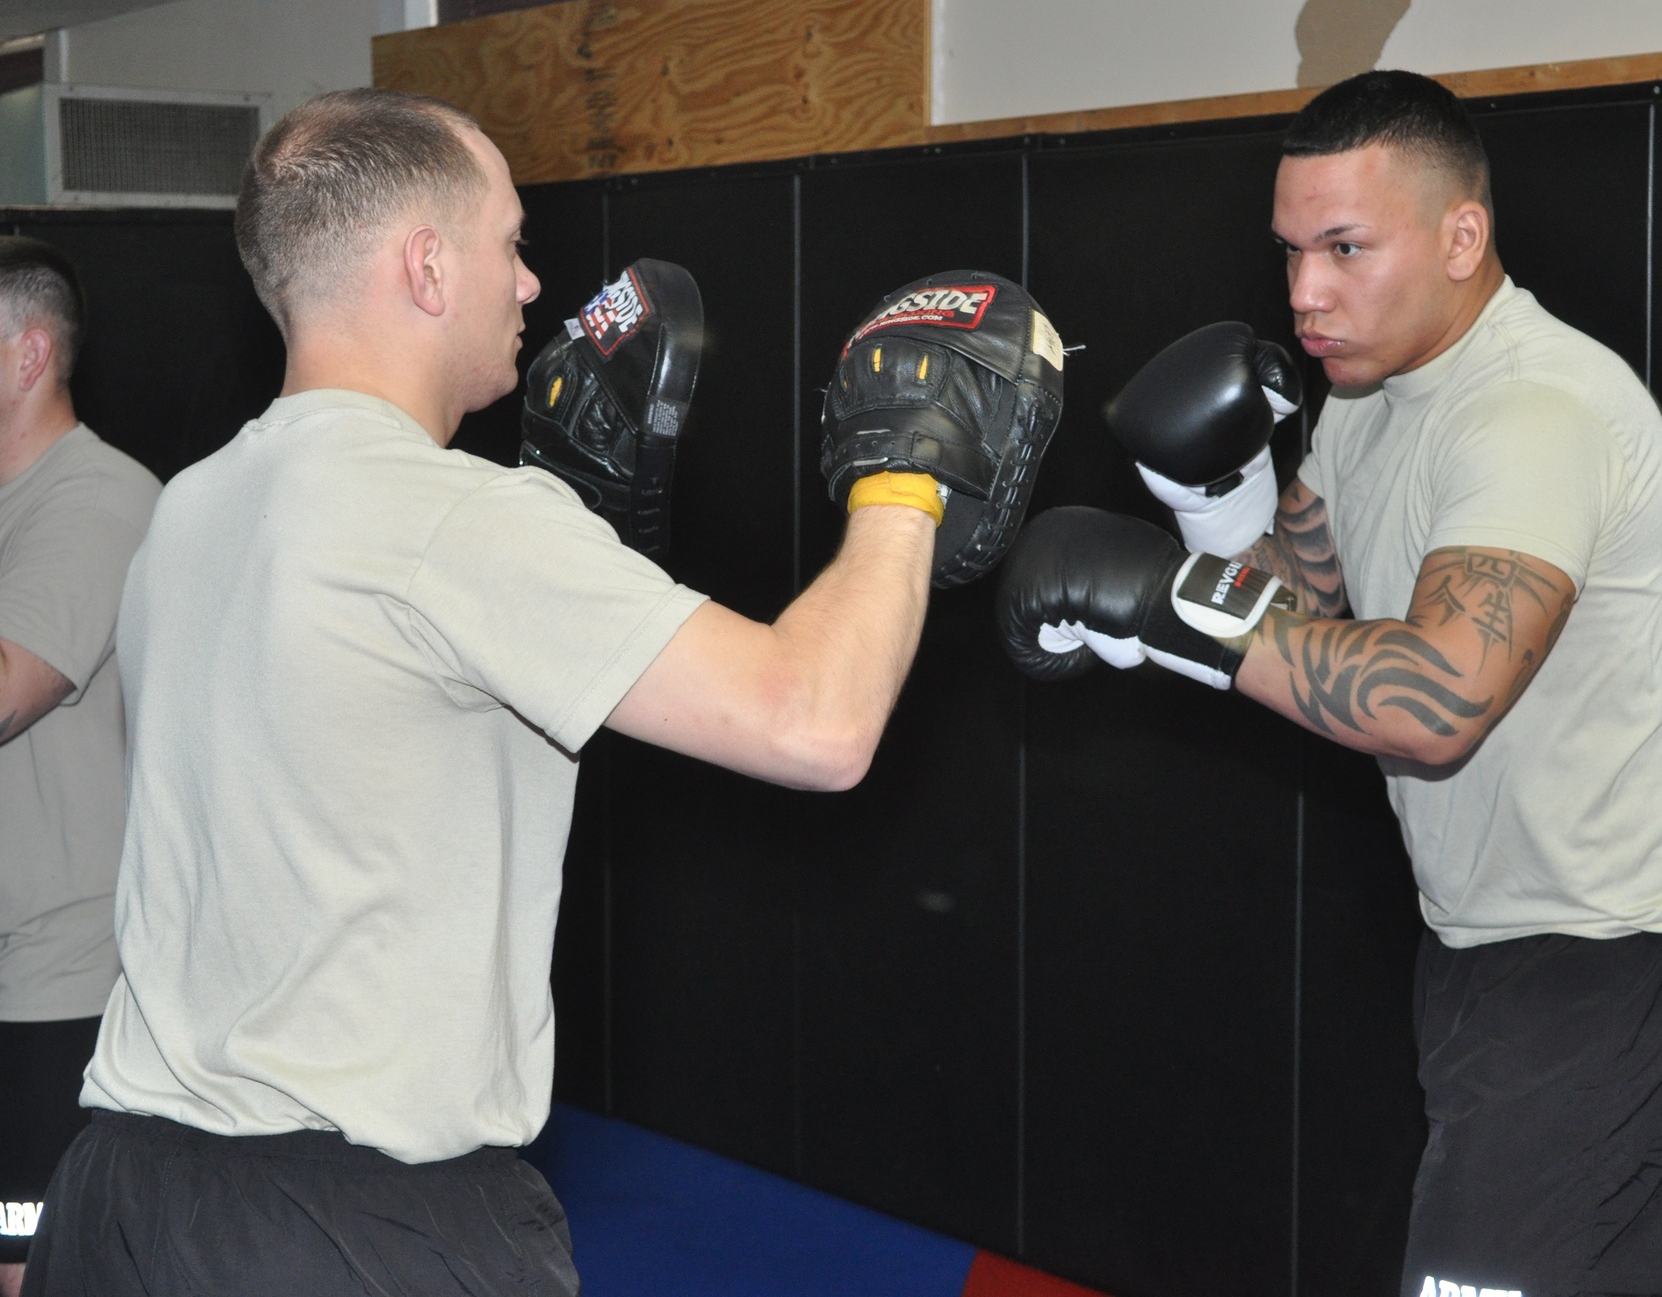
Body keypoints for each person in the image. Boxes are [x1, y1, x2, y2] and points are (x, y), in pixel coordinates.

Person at [21, 88, 963, 1296]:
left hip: (123, 1201)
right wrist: (905, 476)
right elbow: (816, 720)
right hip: (347, 1230)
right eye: (510, 243)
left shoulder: (192, 505)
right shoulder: (451, 520)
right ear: (426, 265)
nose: (528, 284)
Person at [996, 70, 1662, 1297]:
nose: (1304, 293)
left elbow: (1427, 701)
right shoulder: (1365, 393)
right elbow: (1305, 610)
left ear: (1462, 236)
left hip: (1610, 955)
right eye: (1292, 250)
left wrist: (1160, 598)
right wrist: (1214, 502)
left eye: (1345, 248)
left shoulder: (1532, 413)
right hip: (1487, 930)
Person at [0, 238, 160, 1297]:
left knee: (33, 1265)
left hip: (59, 974)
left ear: (27, 355)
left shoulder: (98, 495)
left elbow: (9, 686)